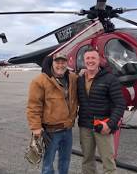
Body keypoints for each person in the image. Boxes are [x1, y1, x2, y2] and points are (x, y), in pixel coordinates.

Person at [26, 53, 78, 174]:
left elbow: (85, 77)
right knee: (48, 164)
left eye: (63, 62)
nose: (60, 65)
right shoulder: (40, 81)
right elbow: (33, 106)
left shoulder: (72, 78)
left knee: (65, 161)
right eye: (57, 62)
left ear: (67, 63)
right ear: (52, 63)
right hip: (51, 131)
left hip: (68, 129)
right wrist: (36, 128)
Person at [77, 46, 126, 174]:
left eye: (93, 58)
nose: (90, 61)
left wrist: (110, 124)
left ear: (99, 61)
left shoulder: (110, 79)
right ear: (84, 61)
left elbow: (120, 104)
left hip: (102, 125)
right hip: (85, 126)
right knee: (87, 160)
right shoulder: (80, 79)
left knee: (108, 162)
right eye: (88, 58)